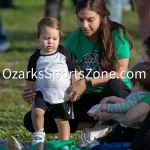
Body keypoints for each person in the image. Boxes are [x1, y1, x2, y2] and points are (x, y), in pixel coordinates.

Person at [22, 0, 132, 147]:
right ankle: (96, 125)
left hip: (112, 95)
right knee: (32, 119)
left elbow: (119, 74)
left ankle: (112, 120)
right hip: (85, 96)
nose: (84, 25)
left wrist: (86, 82)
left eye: (90, 20)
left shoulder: (117, 34)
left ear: (102, 16)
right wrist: (35, 90)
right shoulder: (73, 39)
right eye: (80, 19)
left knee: (115, 85)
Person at [25, 17, 80, 145]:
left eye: (55, 39)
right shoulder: (36, 57)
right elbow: (30, 76)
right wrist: (29, 90)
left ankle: (64, 142)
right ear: (38, 38)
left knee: (62, 121)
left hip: (63, 95)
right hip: (42, 93)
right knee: (37, 111)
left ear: (59, 38)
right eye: (46, 38)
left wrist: (75, 87)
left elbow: (74, 71)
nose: (51, 42)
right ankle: (39, 135)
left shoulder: (65, 54)